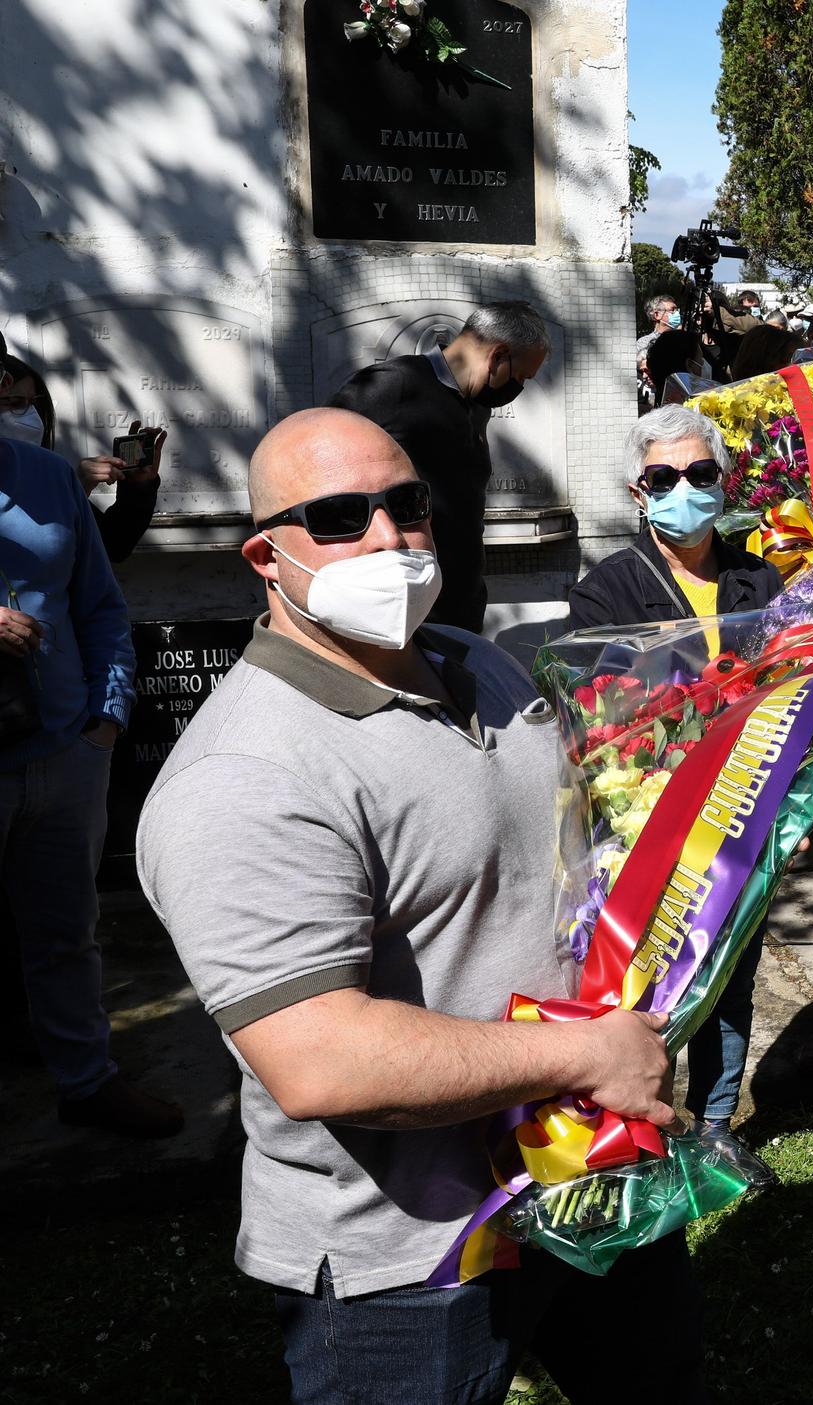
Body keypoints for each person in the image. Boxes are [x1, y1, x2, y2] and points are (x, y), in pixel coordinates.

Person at [136, 407, 702, 1402]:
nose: (388, 538)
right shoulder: (244, 776)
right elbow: (321, 1057)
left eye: (406, 506)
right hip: (409, 1255)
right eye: (341, 516)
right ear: (266, 555)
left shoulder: (478, 662)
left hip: (585, 1168)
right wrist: (590, 1053)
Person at [564, 405, 780, 1188]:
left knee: (734, 968)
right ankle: (640, 1120)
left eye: (700, 474)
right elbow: (595, 705)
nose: (683, 489)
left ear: (722, 483)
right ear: (637, 489)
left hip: (746, 805)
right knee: (654, 981)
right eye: (664, 477)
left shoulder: (757, 577)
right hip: (649, 818)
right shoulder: (605, 591)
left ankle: (717, 1123)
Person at [0, 338, 175, 1139]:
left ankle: (87, 1081)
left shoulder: (43, 477)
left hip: (64, 751)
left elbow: (100, 604)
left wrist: (105, 719)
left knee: (68, 932)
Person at [327, 299, 549, 633]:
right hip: (403, 607)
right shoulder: (396, 385)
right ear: (498, 356)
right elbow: (320, 452)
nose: (519, 387)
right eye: (521, 376)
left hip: (457, 606)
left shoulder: (475, 406)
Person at [0, 354, 165, 561]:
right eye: (15, 403)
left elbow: (113, 546)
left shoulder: (48, 478)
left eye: (33, 404)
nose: (30, 416)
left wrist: (137, 488)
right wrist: (72, 494)